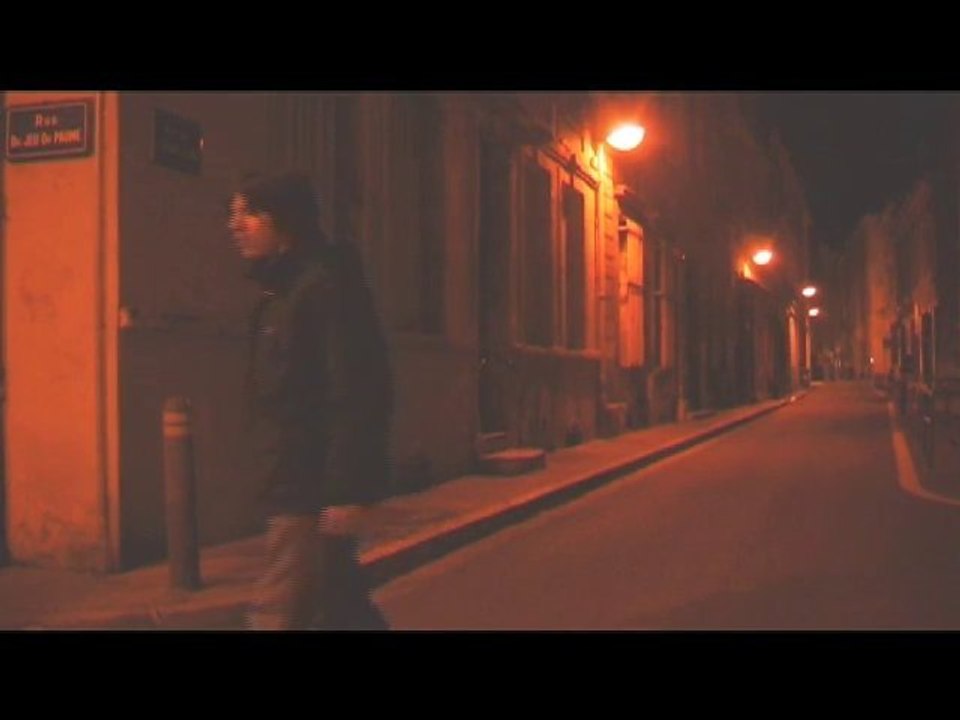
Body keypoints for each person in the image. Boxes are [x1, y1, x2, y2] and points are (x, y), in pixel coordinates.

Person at [227, 170, 392, 630]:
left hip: (310, 487)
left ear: (286, 222)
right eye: (233, 214)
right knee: (339, 608)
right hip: (292, 480)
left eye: (249, 213)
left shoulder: (323, 289)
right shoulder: (280, 293)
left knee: (277, 612)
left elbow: (357, 390)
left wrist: (346, 491)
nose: (235, 225)